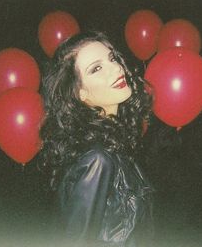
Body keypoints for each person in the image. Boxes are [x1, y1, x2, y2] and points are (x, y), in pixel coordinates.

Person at [39, 31, 154, 247]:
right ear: (80, 93)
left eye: (112, 58)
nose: (117, 68)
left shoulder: (115, 145)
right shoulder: (96, 160)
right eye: (96, 68)